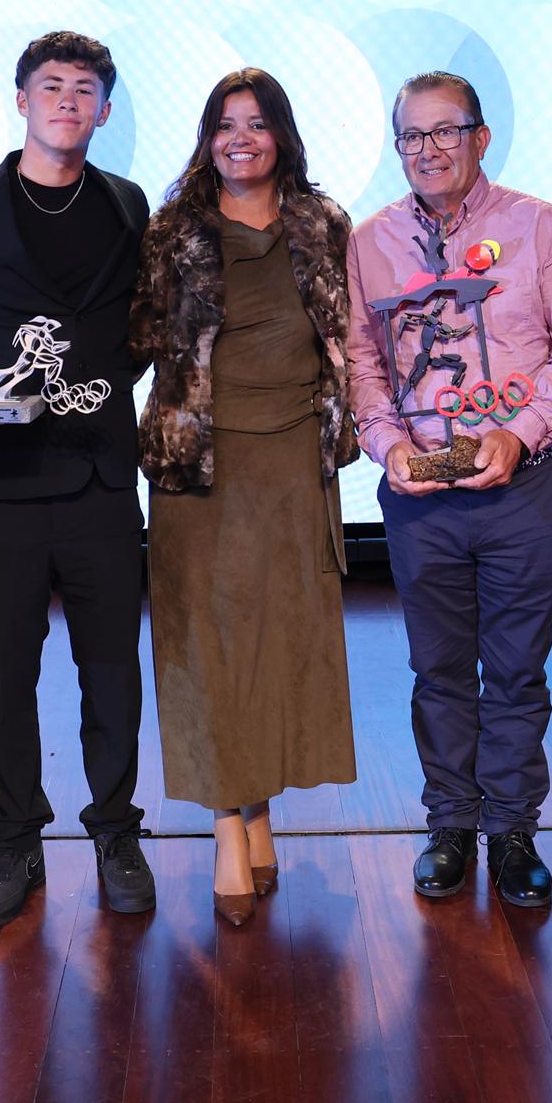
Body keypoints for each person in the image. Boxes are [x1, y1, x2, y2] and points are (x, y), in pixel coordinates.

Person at [0, 30, 156, 928]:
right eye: (51, 86)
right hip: (3, 478)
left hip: (99, 478)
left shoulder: (128, 208)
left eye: (85, 89)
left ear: (105, 109)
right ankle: (14, 840)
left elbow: (150, 330)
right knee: (4, 672)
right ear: (19, 99)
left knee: (112, 670)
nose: (67, 101)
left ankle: (116, 831)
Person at [345, 72, 552, 909]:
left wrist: (518, 431)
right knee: (438, 668)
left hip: (520, 485)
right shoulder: (369, 239)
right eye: (411, 137)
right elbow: (361, 362)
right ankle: (450, 823)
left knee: (518, 669)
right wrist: (385, 445)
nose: (427, 151)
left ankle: (513, 829)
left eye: (444, 132)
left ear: (481, 137)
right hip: (420, 493)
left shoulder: (541, 225)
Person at [131, 67, 359, 927]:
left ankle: (261, 811)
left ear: (281, 136)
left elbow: (352, 338)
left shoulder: (322, 222)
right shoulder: (171, 230)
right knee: (210, 648)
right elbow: (133, 338)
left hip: (297, 462)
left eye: (257, 123)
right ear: (205, 136)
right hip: (200, 471)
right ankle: (229, 829)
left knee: (280, 642)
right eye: (225, 124)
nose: (240, 138)